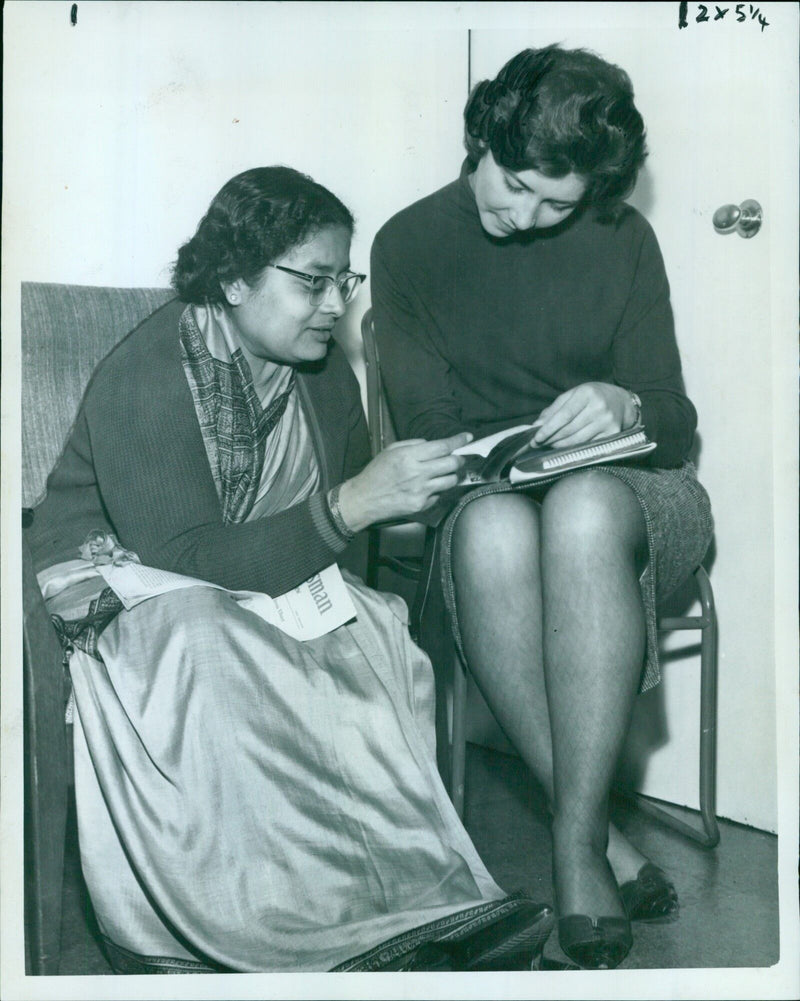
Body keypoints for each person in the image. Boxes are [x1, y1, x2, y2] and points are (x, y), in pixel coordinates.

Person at [26, 166, 557, 973]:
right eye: (313, 281)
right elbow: (186, 555)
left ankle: (403, 915)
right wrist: (351, 504)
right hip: (119, 586)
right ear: (234, 279)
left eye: (343, 279)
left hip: (244, 583)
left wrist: (448, 476)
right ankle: (265, 932)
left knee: (372, 625)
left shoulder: (321, 375)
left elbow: (336, 516)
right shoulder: (143, 374)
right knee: (205, 635)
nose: (338, 305)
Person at [371, 46, 714, 970]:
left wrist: (625, 403)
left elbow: (675, 423)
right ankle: (600, 837)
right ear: (481, 137)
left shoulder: (621, 239)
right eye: (514, 183)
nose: (524, 216)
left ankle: (571, 847)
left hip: (634, 497)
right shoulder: (406, 245)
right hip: (493, 499)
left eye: (553, 204)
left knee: (586, 510)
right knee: (487, 525)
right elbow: (434, 433)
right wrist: (494, 461)